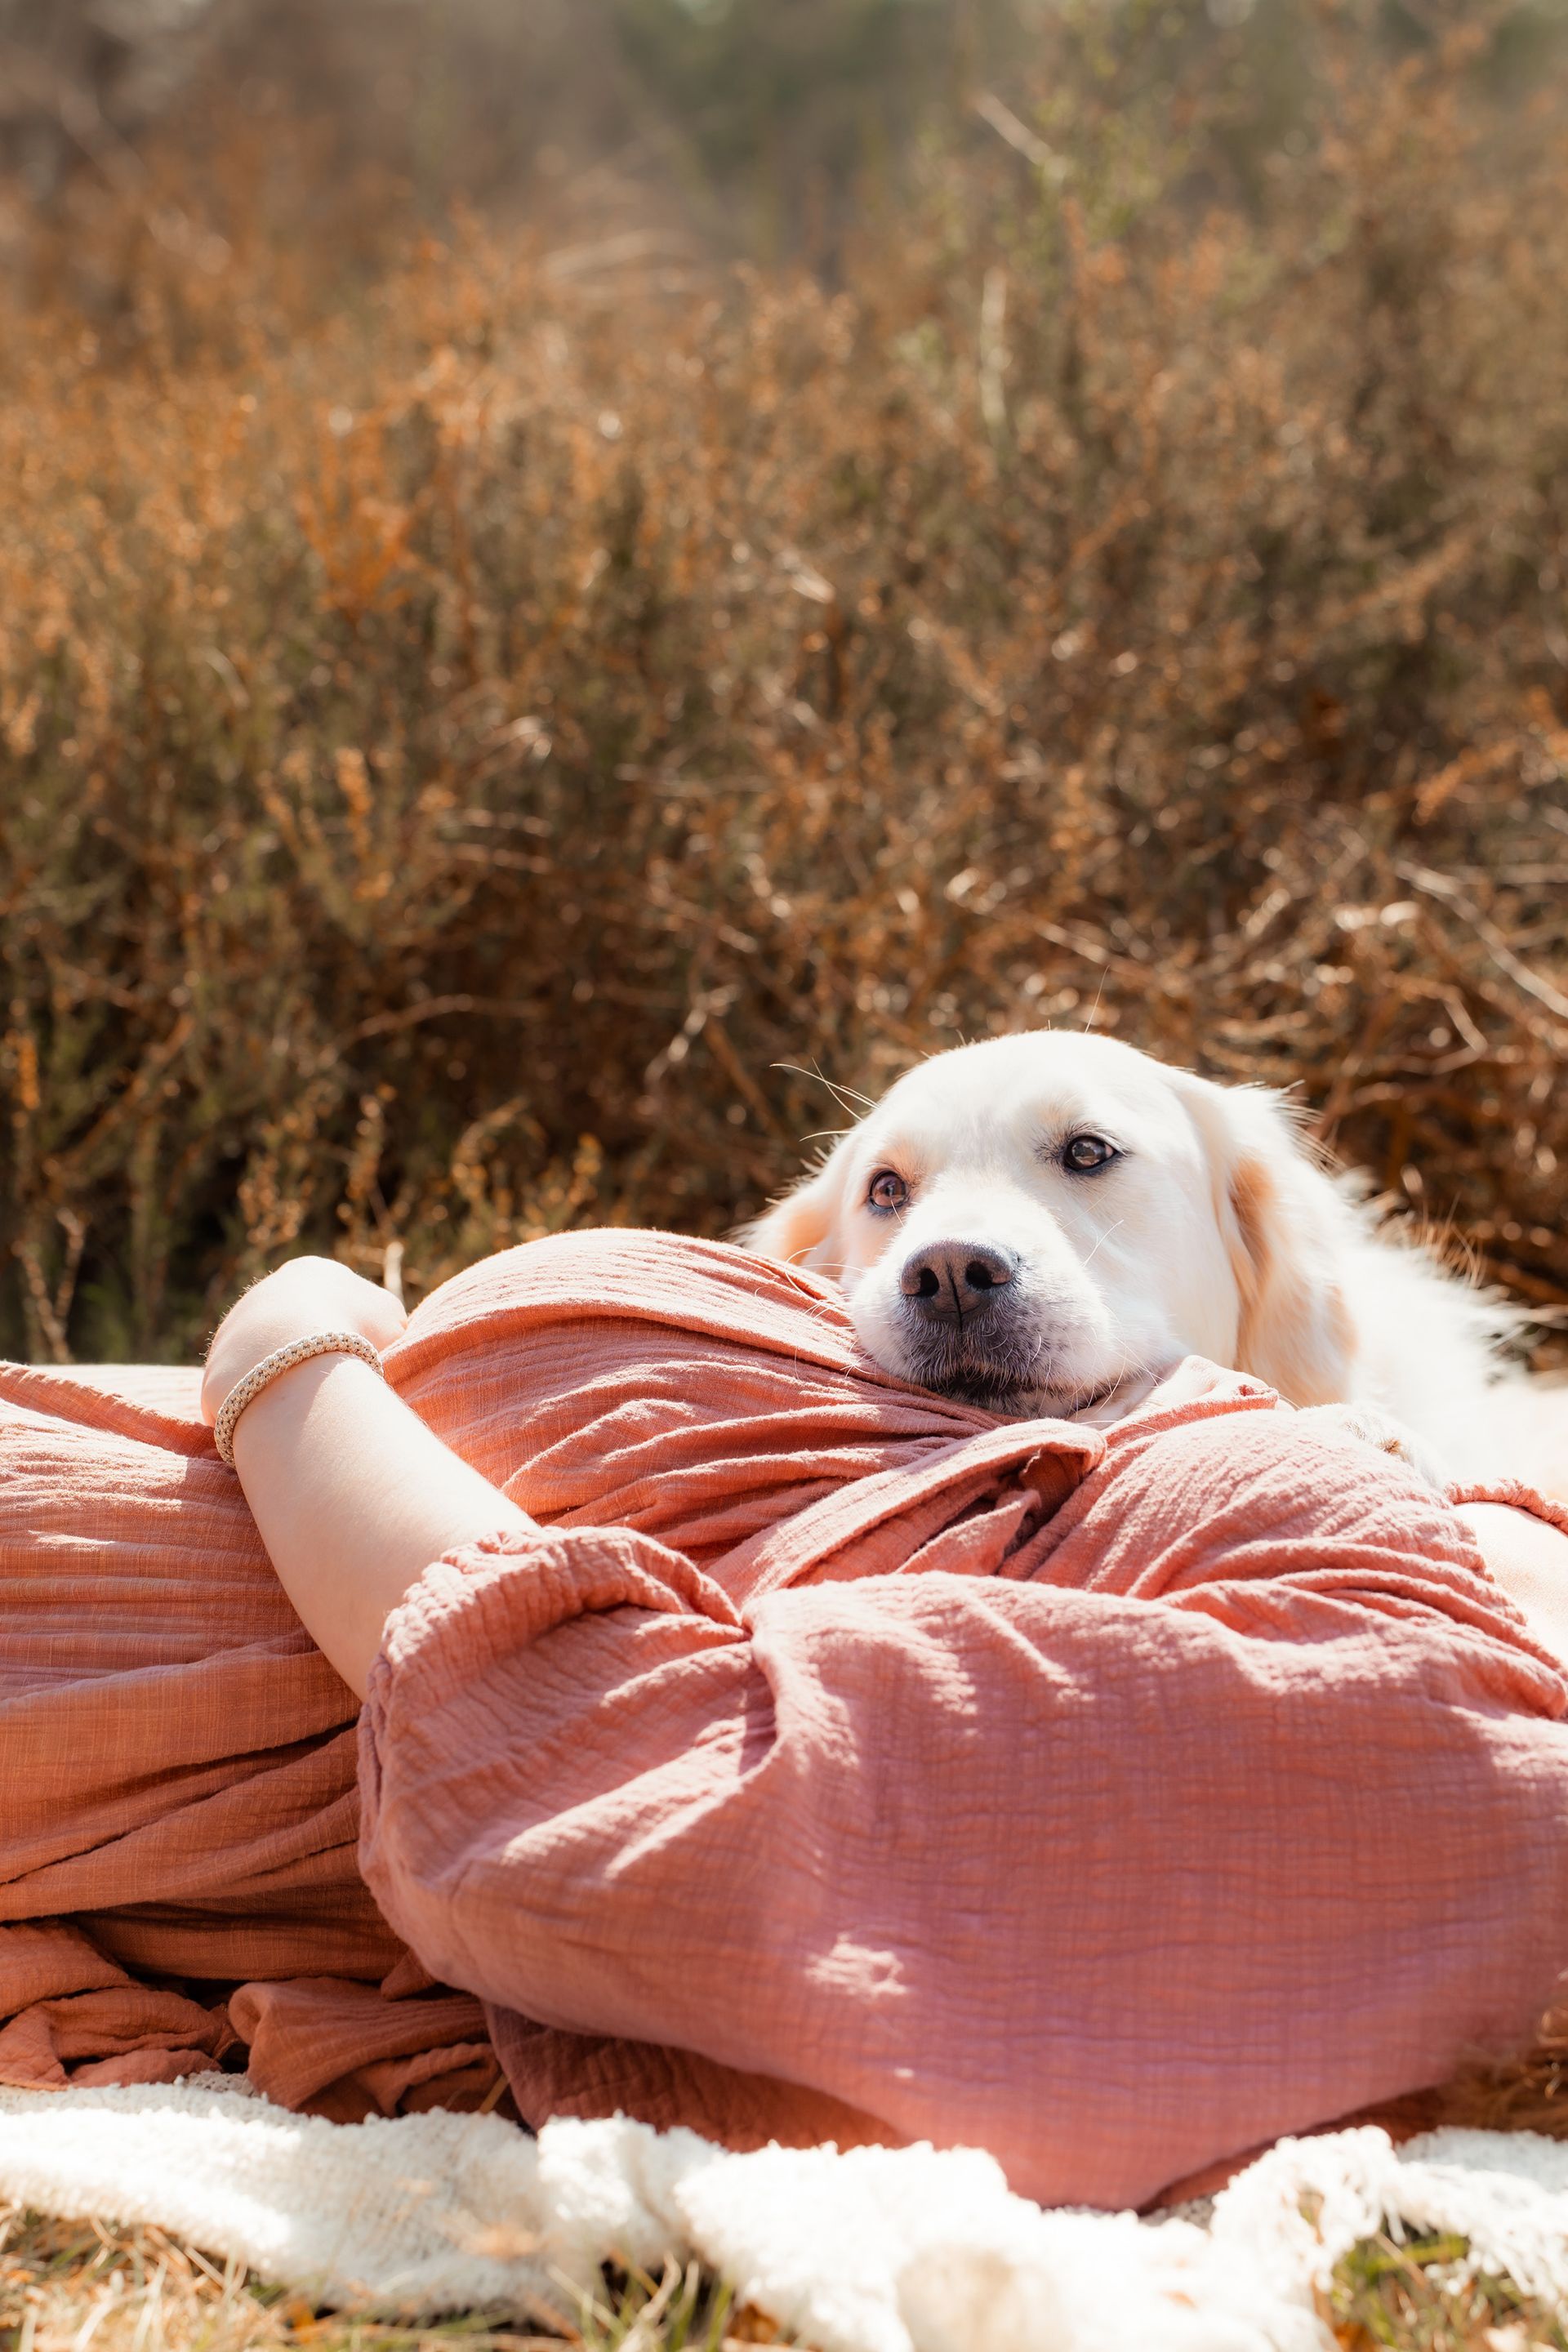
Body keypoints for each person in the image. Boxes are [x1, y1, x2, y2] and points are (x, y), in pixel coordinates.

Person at [4, 1229, 1568, 2208]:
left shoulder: (1468, 1789)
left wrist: (291, 1370)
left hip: (86, 1650)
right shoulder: (1494, 1582)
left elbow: (625, 1788)